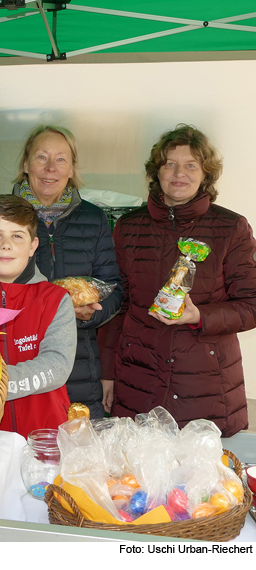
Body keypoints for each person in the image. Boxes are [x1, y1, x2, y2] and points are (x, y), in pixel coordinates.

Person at [98, 125, 256, 437]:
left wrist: (200, 317)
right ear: (156, 172)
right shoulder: (129, 227)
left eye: (190, 165)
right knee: (136, 477)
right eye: (169, 163)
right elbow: (118, 304)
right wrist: (107, 373)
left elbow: (251, 304)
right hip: (137, 378)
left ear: (205, 174)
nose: (178, 173)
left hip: (207, 384)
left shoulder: (230, 227)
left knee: (204, 481)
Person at [12, 125, 123, 419]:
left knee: (82, 457)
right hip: (20, 365)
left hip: (80, 370)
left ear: (72, 168)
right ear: (25, 164)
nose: (50, 168)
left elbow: (114, 288)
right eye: (41, 157)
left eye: (61, 159)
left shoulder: (93, 218)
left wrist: (92, 312)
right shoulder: (2, 216)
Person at [0, 195, 75, 437]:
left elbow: (57, 365)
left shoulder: (55, 299)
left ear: (33, 246)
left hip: (43, 437)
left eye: (17, 236)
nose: (6, 245)